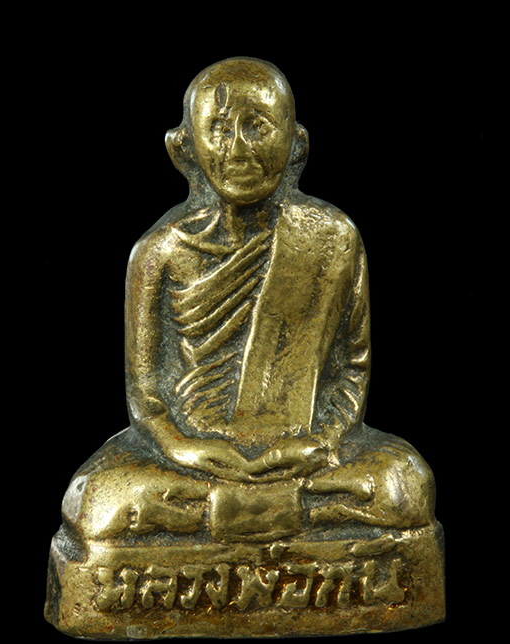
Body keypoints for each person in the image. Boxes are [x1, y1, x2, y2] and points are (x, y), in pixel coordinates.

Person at [61, 57, 436, 542]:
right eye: (219, 130)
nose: (238, 150)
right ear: (183, 148)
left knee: (405, 485)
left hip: (301, 455)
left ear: (297, 144)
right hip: (195, 462)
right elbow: (147, 400)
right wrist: (187, 449)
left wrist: (322, 442)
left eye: (257, 127)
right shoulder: (160, 253)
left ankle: (230, 519)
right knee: (100, 500)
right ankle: (296, 516)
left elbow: (352, 368)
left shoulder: (331, 238)